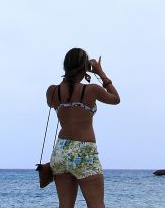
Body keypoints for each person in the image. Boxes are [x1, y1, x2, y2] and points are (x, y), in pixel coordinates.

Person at [45, 48, 120, 208]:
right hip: (84, 152)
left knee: (65, 205)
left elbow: (54, 103)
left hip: (60, 152)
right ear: (85, 67)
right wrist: (100, 73)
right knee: (96, 205)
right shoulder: (91, 89)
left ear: (65, 66)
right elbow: (115, 99)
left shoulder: (52, 91)